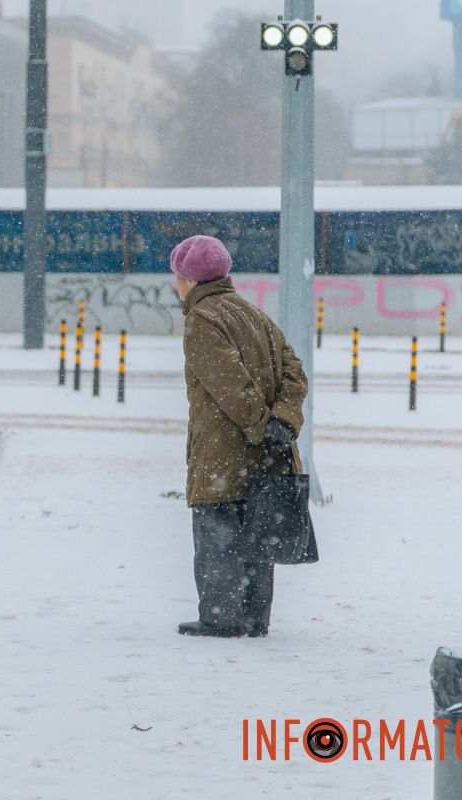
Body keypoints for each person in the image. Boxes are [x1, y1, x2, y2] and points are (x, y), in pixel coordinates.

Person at [169, 235, 309, 639]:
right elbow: (294, 374)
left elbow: (229, 384)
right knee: (256, 538)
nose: (176, 285)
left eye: (178, 277)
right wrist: (281, 423)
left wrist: (259, 426)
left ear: (190, 280)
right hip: (266, 455)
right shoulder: (255, 315)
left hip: (222, 455)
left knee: (218, 537)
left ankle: (221, 617)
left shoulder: (203, 320)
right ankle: (254, 619)